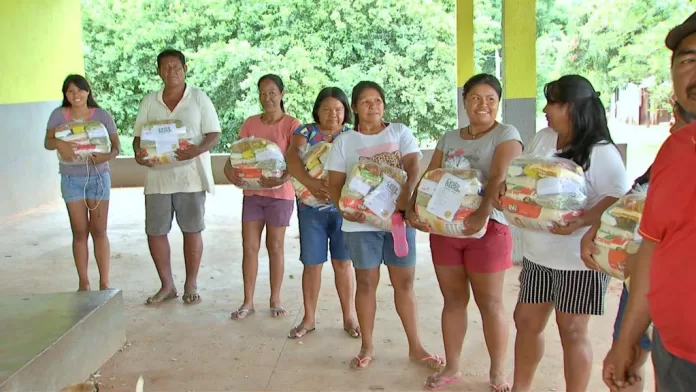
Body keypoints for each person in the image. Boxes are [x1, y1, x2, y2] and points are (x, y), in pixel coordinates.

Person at [493, 75, 630, 392]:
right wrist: (507, 188)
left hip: (578, 262)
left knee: (571, 330)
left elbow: (617, 198)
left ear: (574, 108)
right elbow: (526, 175)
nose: (546, 109)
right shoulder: (543, 138)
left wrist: (583, 220)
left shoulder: (600, 151)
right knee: (526, 322)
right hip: (538, 255)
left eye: (553, 103)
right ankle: (520, 388)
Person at [407, 74, 522, 391]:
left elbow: (499, 176)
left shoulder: (505, 134)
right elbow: (431, 175)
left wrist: (480, 216)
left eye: (490, 99)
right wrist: (413, 208)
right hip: (445, 229)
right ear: (465, 101)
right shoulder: (449, 137)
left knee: (491, 303)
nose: (482, 104)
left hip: (488, 230)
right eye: (475, 98)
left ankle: (498, 372)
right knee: (453, 299)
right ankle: (453, 366)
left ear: (497, 103)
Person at [603, 13, 696, 392]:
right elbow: (654, 247)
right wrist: (626, 339)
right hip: (674, 355)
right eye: (688, 61)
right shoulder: (675, 150)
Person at [325, 81, 443, 370]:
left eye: (377, 100)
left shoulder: (399, 132)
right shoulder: (345, 141)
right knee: (366, 283)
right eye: (366, 102)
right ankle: (366, 346)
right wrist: (346, 209)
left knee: (404, 283)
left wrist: (406, 197)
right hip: (360, 226)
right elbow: (335, 185)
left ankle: (415, 347)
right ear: (354, 107)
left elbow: (414, 165)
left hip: (398, 223)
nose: (373, 106)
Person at [132, 49, 222, 305]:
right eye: (166, 67)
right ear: (159, 71)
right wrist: (139, 154)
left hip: (190, 177)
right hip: (157, 179)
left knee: (192, 229)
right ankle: (167, 285)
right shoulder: (150, 101)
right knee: (155, 231)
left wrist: (196, 150)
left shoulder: (198, 98)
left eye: (176, 66)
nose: (171, 71)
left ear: (185, 69)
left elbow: (214, 134)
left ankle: (190, 283)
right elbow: (138, 137)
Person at [285, 87, 359, 338]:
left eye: (338, 109)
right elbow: (292, 158)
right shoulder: (305, 132)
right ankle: (309, 319)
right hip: (311, 209)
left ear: (345, 112)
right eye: (327, 109)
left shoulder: (352, 134)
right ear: (317, 110)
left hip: (342, 210)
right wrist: (312, 183)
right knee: (312, 263)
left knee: (343, 262)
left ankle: (349, 317)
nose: (333, 114)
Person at [227, 74, 301, 319]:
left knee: (275, 247)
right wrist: (231, 174)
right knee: (249, 247)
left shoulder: (292, 124)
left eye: (272, 92)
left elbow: (298, 159)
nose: (267, 98)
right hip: (253, 193)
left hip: (280, 196)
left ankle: (275, 299)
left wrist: (284, 177)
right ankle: (247, 301)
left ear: (281, 94)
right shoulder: (250, 123)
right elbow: (236, 156)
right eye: (262, 93)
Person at [44, 74, 121, 292]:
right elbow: (48, 143)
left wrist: (106, 157)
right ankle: (84, 282)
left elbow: (116, 147)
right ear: (65, 94)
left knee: (99, 231)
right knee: (79, 232)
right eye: (70, 91)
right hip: (71, 178)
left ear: (88, 92)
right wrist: (59, 142)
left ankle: (104, 281)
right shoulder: (58, 115)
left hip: (98, 177)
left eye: (80, 90)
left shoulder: (102, 116)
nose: (76, 95)